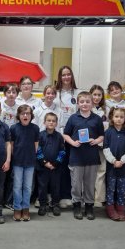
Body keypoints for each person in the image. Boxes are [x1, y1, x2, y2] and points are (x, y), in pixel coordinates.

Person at [62, 91, 104, 220]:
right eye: (82, 102)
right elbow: (65, 134)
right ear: (78, 103)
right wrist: (73, 143)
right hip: (76, 157)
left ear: (92, 103)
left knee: (90, 184)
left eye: (87, 101)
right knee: (76, 184)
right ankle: (76, 205)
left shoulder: (97, 119)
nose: (84, 104)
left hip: (92, 157)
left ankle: (89, 206)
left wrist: (96, 141)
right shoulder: (73, 118)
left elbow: (102, 135)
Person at [103, 106, 125, 221]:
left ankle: (121, 208)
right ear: (112, 117)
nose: (119, 119)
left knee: (121, 190)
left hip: (124, 166)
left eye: (121, 117)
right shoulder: (108, 132)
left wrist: (122, 161)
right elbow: (106, 148)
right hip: (111, 167)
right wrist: (113, 161)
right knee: (111, 189)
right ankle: (110, 208)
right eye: (116, 116)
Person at [55, 66, 81, 207]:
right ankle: (60, 196)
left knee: (73, 167)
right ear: (60, 77)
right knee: (61, 166)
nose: (66, 77)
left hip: (73, 136)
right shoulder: (55, 93)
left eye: (68, 74)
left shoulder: (78, 93)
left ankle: (71, 196)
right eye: (63, 75)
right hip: (58, 134)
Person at [9, 105, 39, 221]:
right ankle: (17, 208)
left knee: (27, 187)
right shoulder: (13, 128)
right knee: (17, 186)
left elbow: (36, 145)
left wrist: (33, 157)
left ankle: (26, 208)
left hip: (30, 162)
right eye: (22, 114)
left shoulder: (35, 128)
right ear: (19, 116)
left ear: (31, 116)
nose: (25, 116)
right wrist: (14, 157)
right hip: (17, 162)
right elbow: (11, 145)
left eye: (28, 113)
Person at [36, 112, 65, 216]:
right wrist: (44, 163)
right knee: (42, 186)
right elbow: (38, 150)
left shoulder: (59, 136)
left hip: (56, 167)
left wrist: (56, 163)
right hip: (42, 167)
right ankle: (43, 205)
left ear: (56, 123)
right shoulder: (40, 135)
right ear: (44, 122)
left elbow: (62, 151)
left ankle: (55, 204)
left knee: (55, 186)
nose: (51, 122)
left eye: (53, 121)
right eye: (49, 120)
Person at [90, 84, 107, 206]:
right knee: (87, 172)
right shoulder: (85, 108)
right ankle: (86, 197)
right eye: (94, 94)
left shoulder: (106, 110)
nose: (96, 97)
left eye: (99, 95)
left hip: (101, 145)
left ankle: (99, 198)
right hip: (88, 145)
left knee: (101, 172)